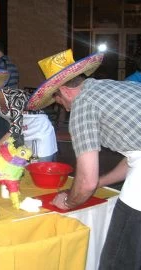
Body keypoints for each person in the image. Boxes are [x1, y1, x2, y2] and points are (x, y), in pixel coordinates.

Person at [26, 49, 141, 269]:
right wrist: (100, 182)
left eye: (58, 101)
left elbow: (86, 182)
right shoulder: (113, 87)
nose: (62, 106)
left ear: (63, 91)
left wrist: (69, 201)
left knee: (120, 258)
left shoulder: (82, 105)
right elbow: (133, 157)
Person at [0, 68, 57, 161]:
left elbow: (14, 131)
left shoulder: (16, 97)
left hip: (40, 133)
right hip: (23, 135)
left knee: (39, 169)